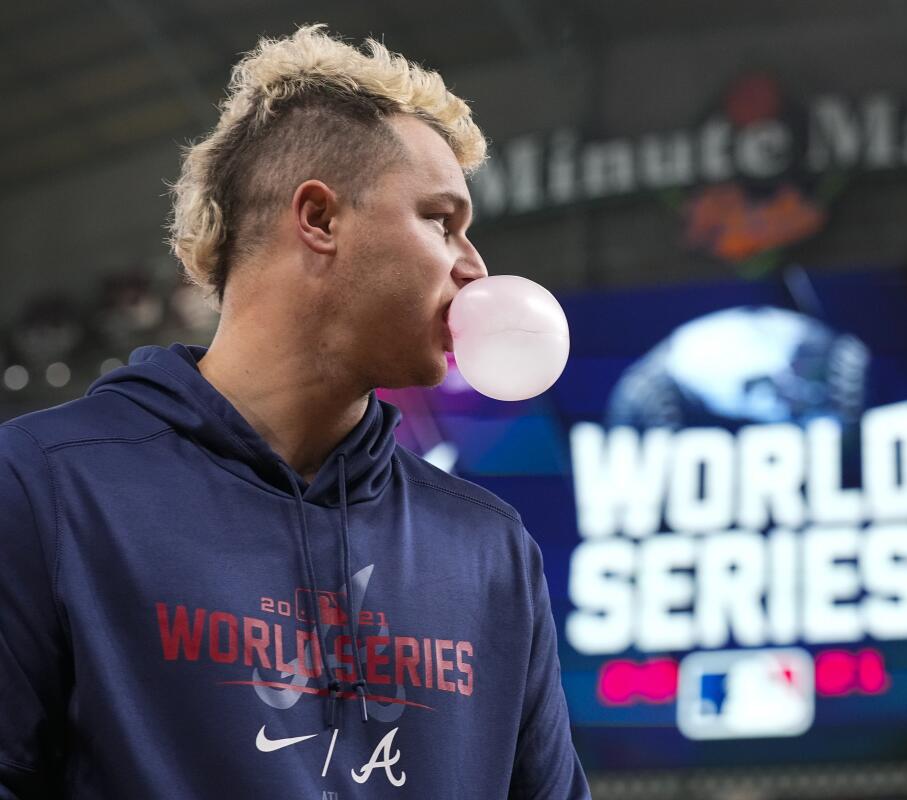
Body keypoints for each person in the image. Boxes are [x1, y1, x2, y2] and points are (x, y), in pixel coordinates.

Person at [0, 25, 590, 799]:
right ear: (319, 218)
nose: (475, 268)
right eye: (441, 221)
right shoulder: (44, 489)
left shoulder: (491, 552)